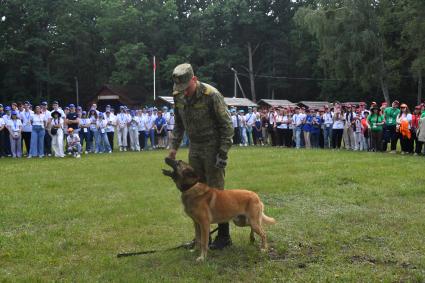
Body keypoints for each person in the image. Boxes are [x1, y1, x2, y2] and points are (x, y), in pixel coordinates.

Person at [168, 63, 233, 250]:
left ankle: (224, 236)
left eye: (186, 88)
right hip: (194, 147)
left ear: (194, 80)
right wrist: (174, 146)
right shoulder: (178, 96)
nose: (183, 92)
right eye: (179, 89)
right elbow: (179, 124)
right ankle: (202, 239)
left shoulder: (211, 95)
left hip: (213, 146)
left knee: (216, 190)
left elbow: (227, 126)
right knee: (194, 190)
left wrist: (222, 152)